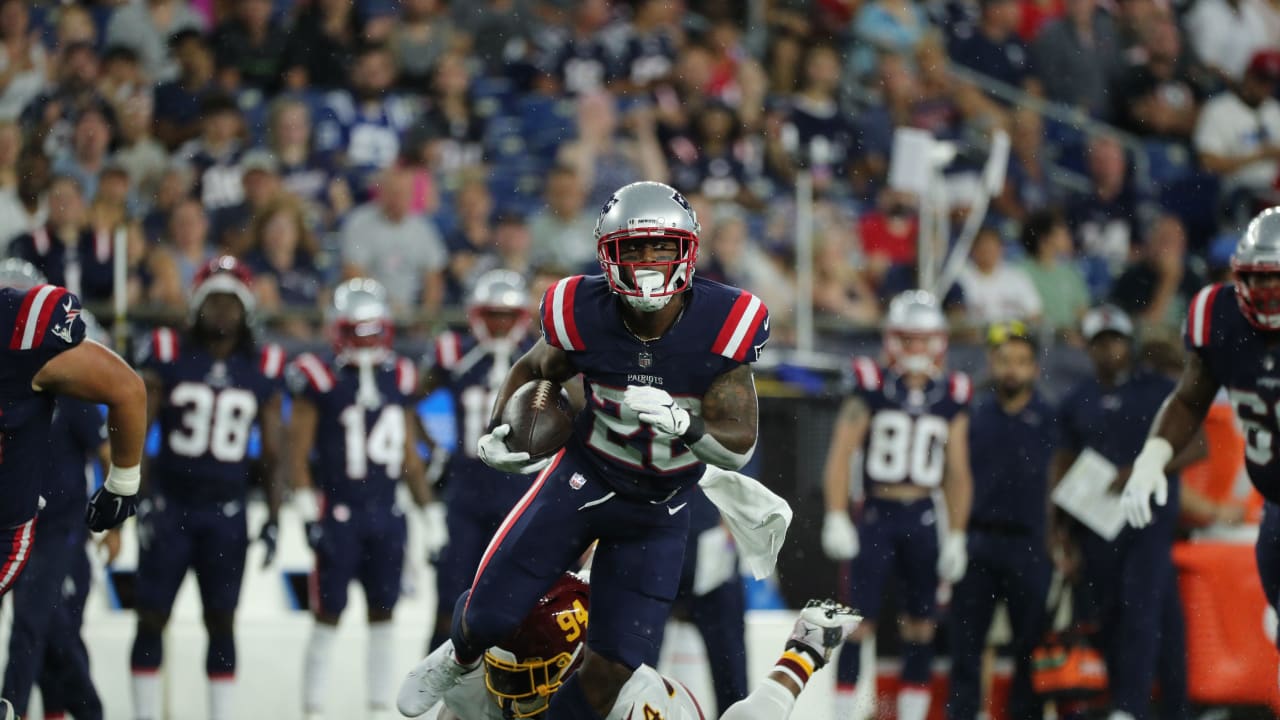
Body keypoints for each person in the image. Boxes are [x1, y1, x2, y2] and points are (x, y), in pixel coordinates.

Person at [398, 181, 770, 719]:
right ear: (607, 255)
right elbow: (534, 367)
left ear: (687, 249)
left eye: (661, 246)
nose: (647, 261)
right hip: (585, 478)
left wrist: (684, 424)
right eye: (633, 247)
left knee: (612, 673)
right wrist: (505, 427)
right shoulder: (582, 308)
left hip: (660, 507)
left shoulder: (724, 322)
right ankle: (458, 656)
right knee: (492, 616)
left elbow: (738, 443)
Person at [1121, 207, 1280, 688]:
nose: (1265, 292)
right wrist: (1153, 458)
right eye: (1256, 279)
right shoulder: (1220, 315)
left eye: (1276, 280)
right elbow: (1191, 399)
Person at [129, 256, 286, 720]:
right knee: (151, 616)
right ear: (196, 305)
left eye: (231, 301)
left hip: (227, 512)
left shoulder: (262, 363)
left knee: (221, 621)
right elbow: (138, 429)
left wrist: (275, 517)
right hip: (171, 505)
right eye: (213, 300)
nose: (222, 311)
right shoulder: (168, 350)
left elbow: (274, 451)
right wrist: (131, 496)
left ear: (247, 308)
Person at [820, 290, 974, 720]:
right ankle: (844, 713)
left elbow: (957, 472)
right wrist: (835, 515)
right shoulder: (871, 385)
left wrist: (957, 532)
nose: (916, 349)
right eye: (908, 339)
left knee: (921, 626)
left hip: (923, 515)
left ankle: (912, 714)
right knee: (855, 624)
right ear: (892, 340)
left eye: (923, 339)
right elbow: (841, 453)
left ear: (939, 341)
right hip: (876, 514)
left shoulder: (953, 392)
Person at [426, 572, 860, 720]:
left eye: (524, 678)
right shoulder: (479, 685)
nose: (508, 695)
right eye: (502, 674)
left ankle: (805, 649)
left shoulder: (632, 705)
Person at [287, 278, 431, 720]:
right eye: (356, 331)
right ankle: (312, 710)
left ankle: (379, 710)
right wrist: (309, 514)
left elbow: (408, 454)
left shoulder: (400, 375)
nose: (366, 342)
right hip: (341, 512)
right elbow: (297, 453)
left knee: (384, 613)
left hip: (386, 512)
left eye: (371, 331)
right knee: (328, 614)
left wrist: (429, 516)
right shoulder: (321, 376)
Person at [1051, 305, 1191, 720]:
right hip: (1097, 523)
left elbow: (1195, 443)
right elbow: (1061, 464)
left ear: (1128, 343)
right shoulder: (1078, 399)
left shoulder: (1156, 389)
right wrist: (1058, 529)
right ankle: (1166, 707)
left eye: (1115, 340)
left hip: (1149, 519)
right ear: (1090, 349)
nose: (1109, 349)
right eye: (1100, 342)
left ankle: (1129, 707)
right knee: (1124, 613)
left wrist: (1142, 468)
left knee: (1140, 607)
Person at [0, 260, 114, 720]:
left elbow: (103, 445)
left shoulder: (64, 378)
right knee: (42, 630)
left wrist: (115, 512)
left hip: (57, 525)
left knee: (47, 627)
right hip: (15, 519)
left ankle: (70, 711)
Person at [419, 270, 539, 653]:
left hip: (522, 495)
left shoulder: (540, 356)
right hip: (466, 492)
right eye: (493, 314)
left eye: (507, 315)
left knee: (519, 607)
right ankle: (435, 688)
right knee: (450, 599)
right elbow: (401, 401)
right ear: (476, 314)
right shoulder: (455, 354)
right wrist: (435, 448)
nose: (501, 324)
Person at [947, 321, 1053, 720]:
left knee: (1032, 647)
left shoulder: (1051, 418)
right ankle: (964, 714)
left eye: (1022, 361)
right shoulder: (972, 416)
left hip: (1031, 544)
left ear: (1034, 368)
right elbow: (952, 477)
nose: (1013, 369)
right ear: (992, 363)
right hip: (978, 540)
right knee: (966, 645)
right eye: (1005, 360)